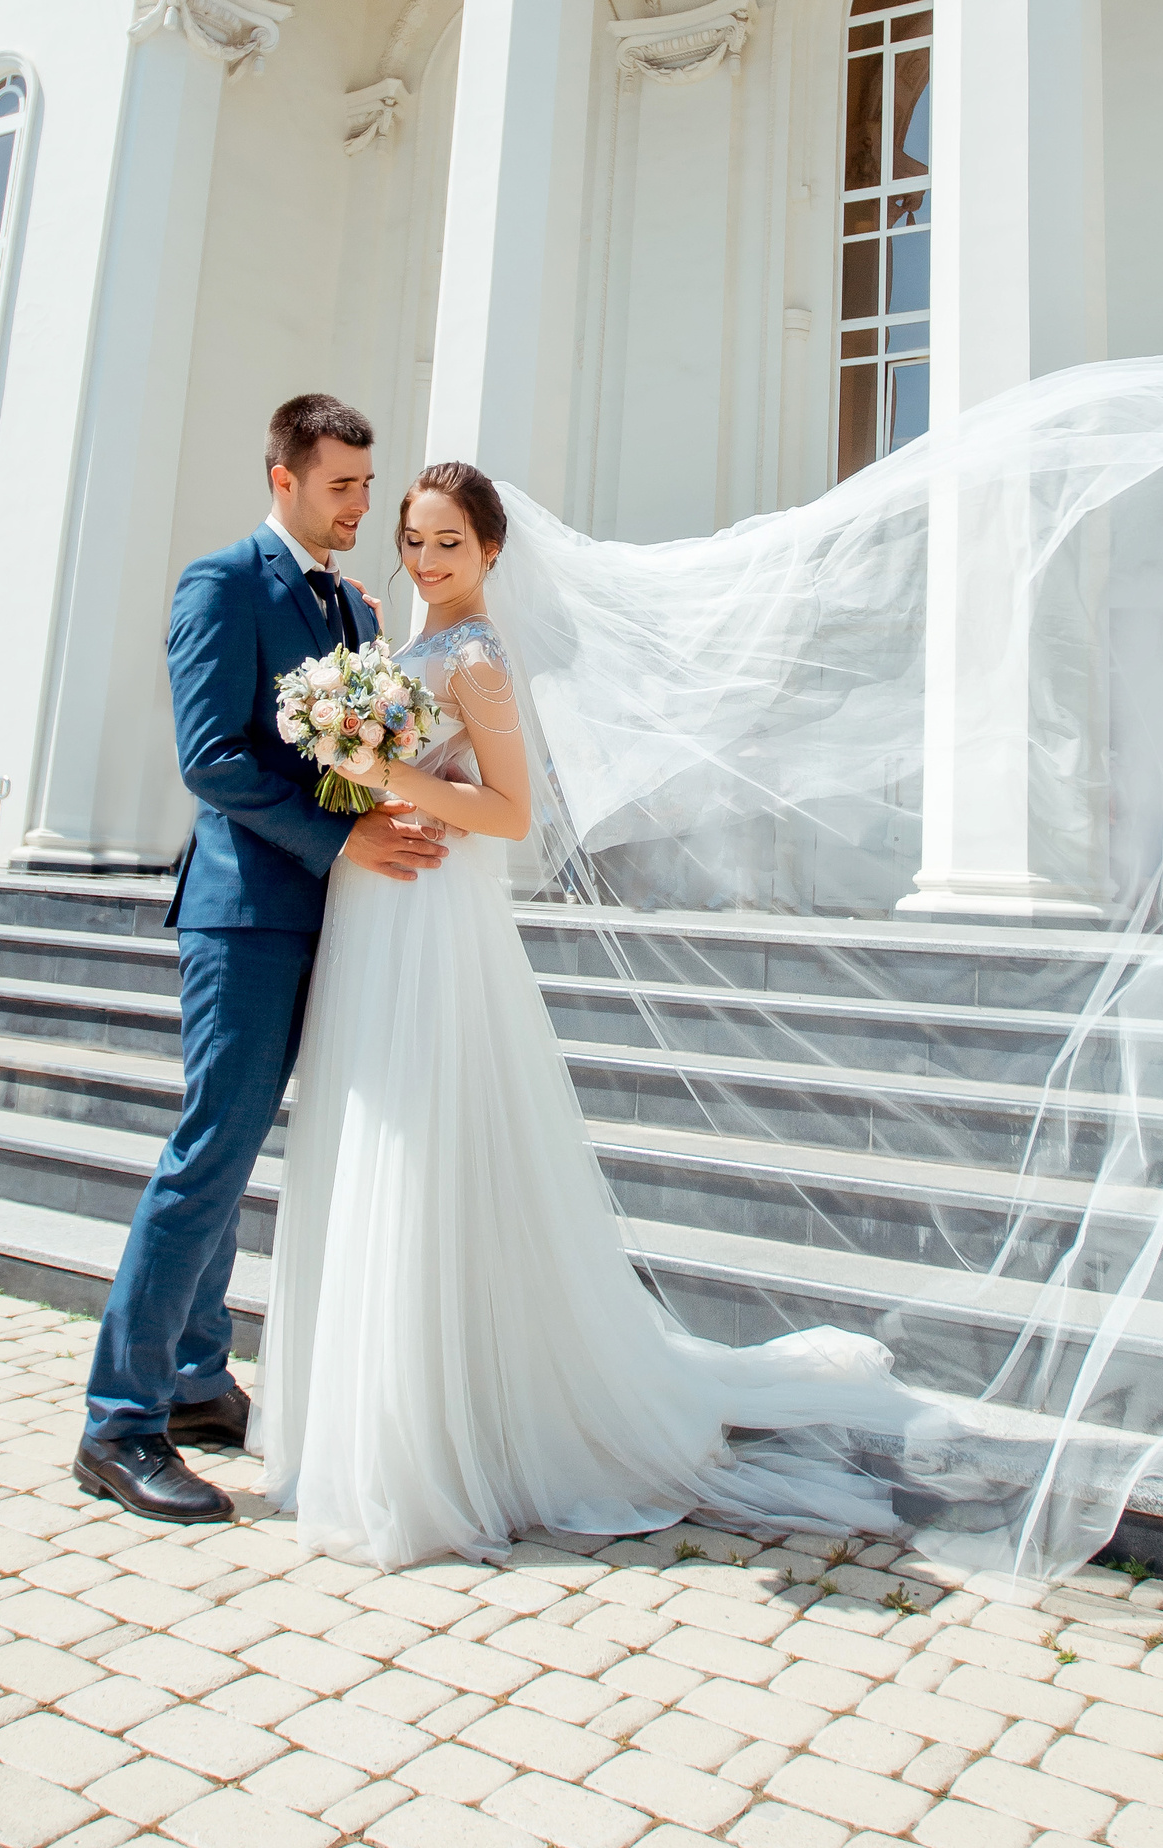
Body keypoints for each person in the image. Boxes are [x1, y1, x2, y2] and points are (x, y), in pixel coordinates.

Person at [260, 458, 897, 1567]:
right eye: (414, 539)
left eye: (449, 542)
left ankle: (438, 1444)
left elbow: (509, 813)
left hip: (434, 917)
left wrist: (379, 769)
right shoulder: (401, 649)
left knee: (428, 1139)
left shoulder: (478, 656)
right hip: (374, 903)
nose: (427, 559)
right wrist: (350, 773)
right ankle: (362, 1421)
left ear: (493, 551)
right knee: (373, 1132)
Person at [74, 394, 448, 1524]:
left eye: (366, 486)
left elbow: (346, 744)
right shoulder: (222, 583)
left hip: (329, 912)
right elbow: (211, 756)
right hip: (242, 915)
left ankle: (194, 1382)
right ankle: (117, 1425)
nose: (361, 506)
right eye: (341, 486)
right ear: (283, 479)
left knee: (238, 1157)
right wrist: (344, 838)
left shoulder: (348, 602)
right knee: (208, 1155)